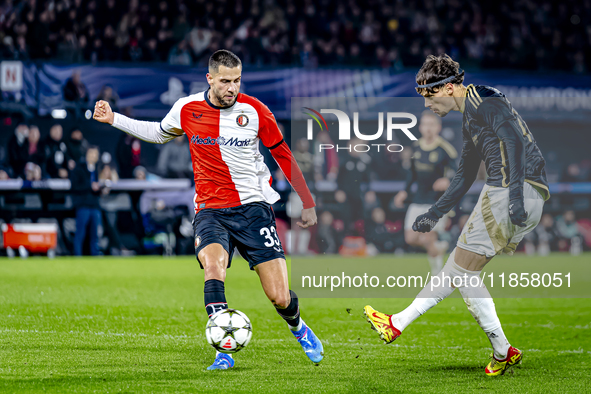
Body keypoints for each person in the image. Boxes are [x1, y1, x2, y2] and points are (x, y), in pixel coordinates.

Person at [92, 49, 322, 370]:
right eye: (225, 81)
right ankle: (223, 350)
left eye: (237, 81)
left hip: (253, 208)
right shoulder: (187, 108)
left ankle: (299, 328)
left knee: (279, 297)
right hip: (211, 210)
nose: (232, 88)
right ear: (210, 79)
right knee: (214, 267)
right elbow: (159, 133)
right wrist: (115, 118)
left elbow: (283, 154)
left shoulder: (256, 111)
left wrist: (307, 201)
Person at [365, 54, 550, 376]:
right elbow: (464, 176)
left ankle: (398, 323)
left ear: (449, 87)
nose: (426, 105)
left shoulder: (484, 101)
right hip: (517, 193)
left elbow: (515, 144)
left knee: (458, 270)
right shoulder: (471, 118)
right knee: (464, 273)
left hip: (509, 191)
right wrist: (435, 213)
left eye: (430, 96)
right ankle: (502, 350)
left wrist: (516, 197)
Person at [393, 111, 457, 274]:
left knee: (428, 237)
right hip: (418, 199)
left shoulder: (445, 149)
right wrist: (404, 192)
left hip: (437, 202)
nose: (428, 128)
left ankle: (438, 273)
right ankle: (440, 248)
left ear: (438, 127)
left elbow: (460, 172)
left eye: (431, 125)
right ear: (420, 127)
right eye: (425, 124)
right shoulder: (416, 147)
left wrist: (447, 180)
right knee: (411, 238)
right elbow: (411, 174)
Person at [70, 146, 103, 256]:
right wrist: (90, 186)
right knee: (80, 233)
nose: (93, 156)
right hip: (83, 205)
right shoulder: (79, 168)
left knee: (95, 234)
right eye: (91, 153)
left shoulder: (97, 170)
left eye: (95, 154)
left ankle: (95, 255)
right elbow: (75, 186)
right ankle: (77, 255)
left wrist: (101, 189)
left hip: (94, 206)